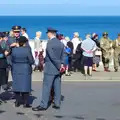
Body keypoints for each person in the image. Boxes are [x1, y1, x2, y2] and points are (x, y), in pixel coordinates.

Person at [32, 28, 64, 111]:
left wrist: (58, 65)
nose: (47, 35)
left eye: (48, 33)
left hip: (51, 68)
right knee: (57, 86)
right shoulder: (60, 43)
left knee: (46, 87)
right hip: (58, 68)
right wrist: (62, 65)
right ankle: (57, 103)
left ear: (50, 33)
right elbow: (63, 55)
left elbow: (51, 56)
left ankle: (43, 105)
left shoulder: (50, 43)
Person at [10, 36, 34, 108]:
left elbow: (11, 60)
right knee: (25, 86)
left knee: (17, 85)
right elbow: (31, 61)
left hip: (16, 68)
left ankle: (17, 102)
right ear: (24, 43)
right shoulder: (27, 50)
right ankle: (25, 103)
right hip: (25, 69)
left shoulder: (14, 50)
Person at [0, 32, 8, 104]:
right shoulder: (3, 43)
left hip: (2, 65)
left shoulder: (3, 43)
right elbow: (2, 55)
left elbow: (7, 50)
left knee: (1, 81)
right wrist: (3, 54)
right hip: (1, 64)